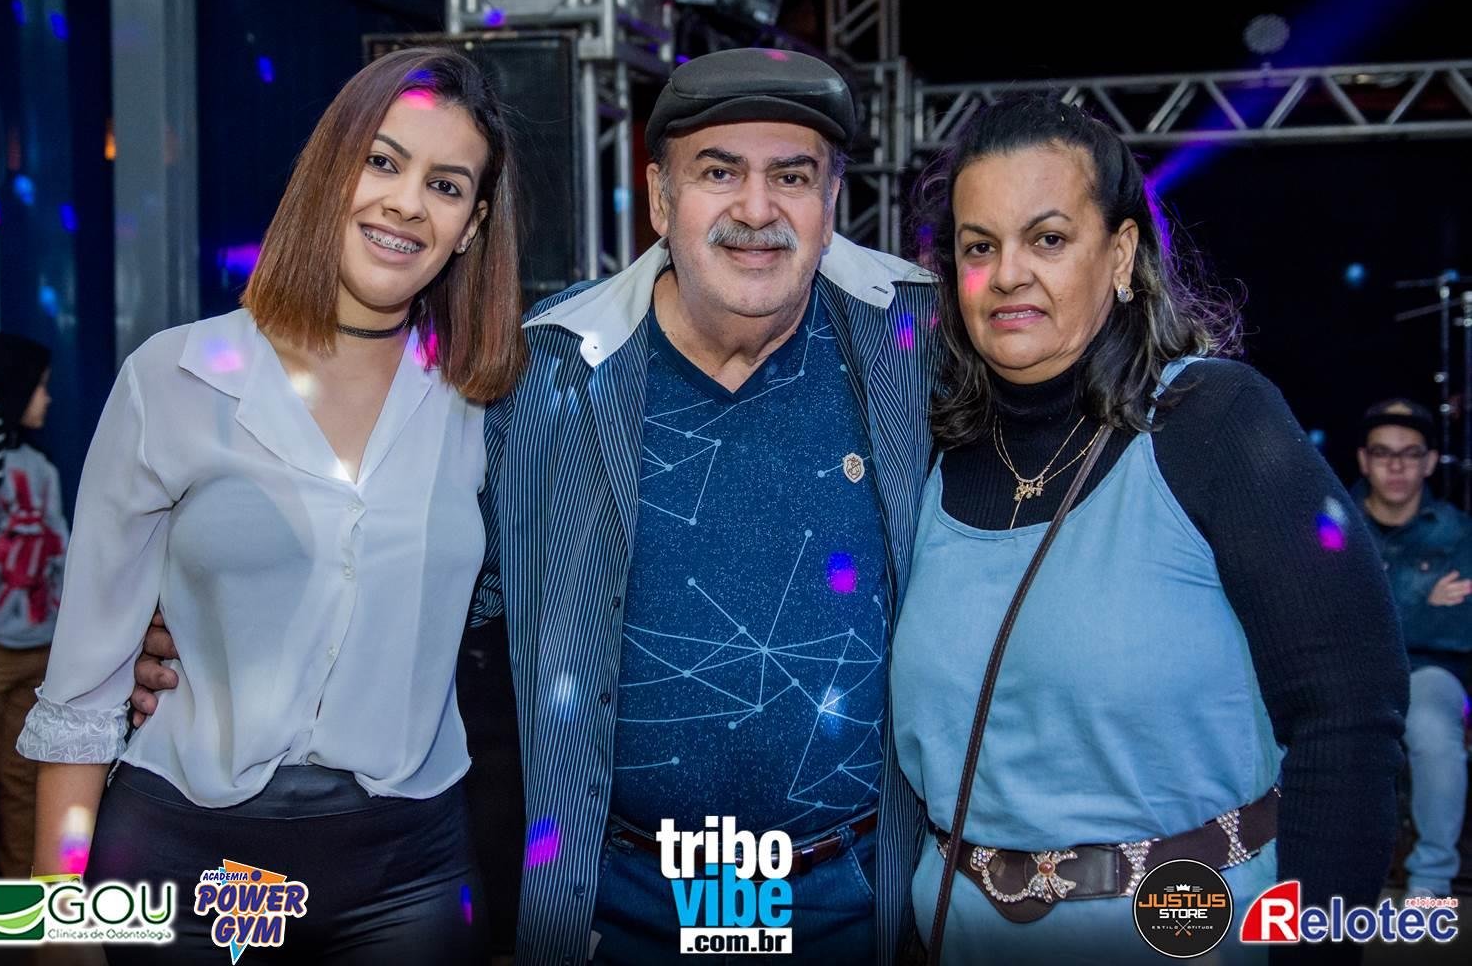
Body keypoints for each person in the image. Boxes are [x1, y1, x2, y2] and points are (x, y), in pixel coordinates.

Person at [136, 49, 938, 965]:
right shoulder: (545, 371)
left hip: (852, 897)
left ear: (831, 201)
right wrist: (204, 625)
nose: (756, 210)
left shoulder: (913, 342)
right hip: (619, 905)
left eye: (791, 177)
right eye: (719, 173)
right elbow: (413, 565)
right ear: (660, 197)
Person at [16, 46, 525, 963]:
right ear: (329, 171)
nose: (408, 203)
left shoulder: (483, 401)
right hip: (183, 864)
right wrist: (57, 919)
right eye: (382, 161)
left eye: (446, 186)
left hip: (410, 874)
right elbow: (84, 683)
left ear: (471, 226)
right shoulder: (174, 377)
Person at [891, 94, 1408, 963]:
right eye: (980, 247)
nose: (1009, 273)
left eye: (1048, 239)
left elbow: (1349, 716)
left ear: (1121, 253)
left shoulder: (1216, 422)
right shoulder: (928, 452)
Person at [1356, 398, 1471, 898]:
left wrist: (1379, 601)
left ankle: (1430, 881)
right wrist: (1423, 598)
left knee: (1432, 729)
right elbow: (1318, 614)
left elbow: (1457, 629)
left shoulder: (1459, 532)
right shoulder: (1333, 522)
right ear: (1364, 460)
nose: (1397, 466)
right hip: (1348, 672)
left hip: (1430, 669)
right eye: (1383, 453)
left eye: (1410, 453)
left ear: (1429, 461)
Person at [0, 333, 65, 887]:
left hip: (42, 649)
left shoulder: (42, 469)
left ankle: (20, 911)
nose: (46, 398)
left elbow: (61, 552)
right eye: (39, 386)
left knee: (27, 781)